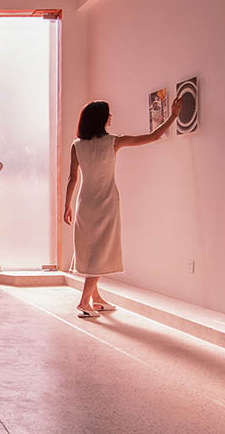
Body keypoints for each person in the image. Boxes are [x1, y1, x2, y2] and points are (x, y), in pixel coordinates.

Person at [63, 96, 182, 318]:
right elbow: (153, 136)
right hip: (106, 203)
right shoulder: (113, 142)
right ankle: (84, 302)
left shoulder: (77, 145)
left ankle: (96, 299)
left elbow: (72, 178)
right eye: (108, 114)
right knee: (101, 251)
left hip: (84, 203)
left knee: (90, 250)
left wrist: (67, 205)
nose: (111, 117)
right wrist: (173, 116)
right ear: (101, 119)